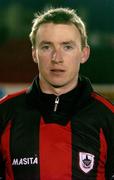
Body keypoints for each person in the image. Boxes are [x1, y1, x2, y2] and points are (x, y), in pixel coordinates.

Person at [0, 7, 114, 180]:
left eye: (67, 47)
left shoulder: (107, 117)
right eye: (46, 47)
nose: (57, 58)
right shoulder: (4, 113)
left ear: (84, 54)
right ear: (34, 54)